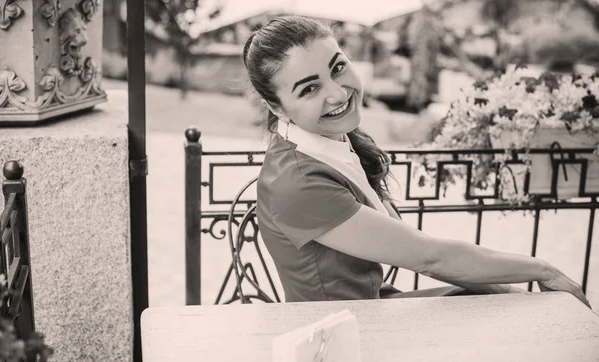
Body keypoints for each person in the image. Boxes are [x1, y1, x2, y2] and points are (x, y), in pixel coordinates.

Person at [243, 15, 591, 308]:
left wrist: (509, 291)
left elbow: (428, 255)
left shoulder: (328, 143)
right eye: (309, 89)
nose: (336, 93)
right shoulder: (299, 181)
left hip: (373, 308)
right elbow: (429, 256)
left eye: (338, 68)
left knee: (507, 308)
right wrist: (542, 270)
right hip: (343, 337)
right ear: (275, 107)